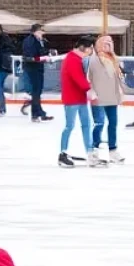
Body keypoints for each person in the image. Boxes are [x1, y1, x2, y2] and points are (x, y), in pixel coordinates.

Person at [58, 36, 95, 169]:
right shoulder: (72, 59)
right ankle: (63, 153)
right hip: (72, 98)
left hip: (80, 98)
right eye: (91, 48)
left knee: (86, 125)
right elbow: (77, 78)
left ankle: (90, 152)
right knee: (69, 125)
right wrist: (89, 89)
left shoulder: (78, 59)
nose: (92, 51)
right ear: (83, 48)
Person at [88, 34, 125, 164]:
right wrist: (91, 91)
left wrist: (120, 91)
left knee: (113, 123)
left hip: (112, 96)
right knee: (99, 123)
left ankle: (113, 150)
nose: (109, 44)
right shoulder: (94, 60)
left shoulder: (115, 59)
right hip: (98, 97)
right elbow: (90, 78)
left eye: (111, 42)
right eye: (106, 42)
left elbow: (118, 77)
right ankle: (94, 150)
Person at [22, 24, 53, 123]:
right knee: (36, 91)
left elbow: (41, 51)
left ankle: (38, 113)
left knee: (38, 91)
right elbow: (29, 56)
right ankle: (37, 113)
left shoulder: (40, 41)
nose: (42, 34)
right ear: (34, 32)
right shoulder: (29, 41)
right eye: (40, 32)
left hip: (38, 67)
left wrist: (48, 53)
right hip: (32, 68)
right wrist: (41, 58)